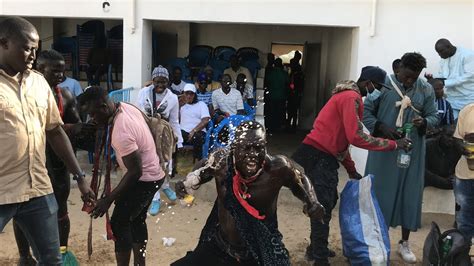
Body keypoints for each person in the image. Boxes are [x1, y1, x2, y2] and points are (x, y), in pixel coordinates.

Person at [0, 16, 94, 265]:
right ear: (3, 43)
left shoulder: (39, 83)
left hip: (37, 190)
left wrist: (80, 178)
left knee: (51, 260)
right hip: (2, 190)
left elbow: (55, 131)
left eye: (36, 48)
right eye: (27, 48)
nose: (33, 55)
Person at [292, 79, 411, 265]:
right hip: (319, 155)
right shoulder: (351, 97)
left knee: (327, 202)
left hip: (319, 154)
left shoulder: (345, 96)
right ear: (367, 82)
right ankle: (319, 257)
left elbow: (342, 140)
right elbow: (355, 137)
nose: (377, 92)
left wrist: (351, 169)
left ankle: (316, 249)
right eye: (377, 87)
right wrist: (394, 145)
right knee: (321, 207)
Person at [172, 121, 325, 266]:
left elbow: (300, 179)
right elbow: (203, 168)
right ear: (234, 148)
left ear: (265, 147)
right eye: (246, 148)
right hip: (222, 246)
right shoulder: (221, 163)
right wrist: (188, 183)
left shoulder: (277, 169)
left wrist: (311, 201)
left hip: (259, 249)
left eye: (258, 148)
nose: (252, 154)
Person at [363, 52, 439, 263]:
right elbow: (365, 111)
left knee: (410, 194)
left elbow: (434, 115)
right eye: (407, 76)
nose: (409, 81)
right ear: (399, 68)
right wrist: (381, 127)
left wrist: (423, 122)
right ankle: (378, 242)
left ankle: (404, 243)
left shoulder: (425, 89)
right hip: (384, 150)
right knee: (380, 194)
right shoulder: (383, 86)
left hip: (411, 152)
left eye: (414, 77)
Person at [79, 86, 165, 266]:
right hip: (155, 174)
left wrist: (108, 200)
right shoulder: (125, 106)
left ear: (103, 107)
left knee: (119, 222)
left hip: (145, 179)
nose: (92, 119)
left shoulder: (121, 130)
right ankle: (140, 264)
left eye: (93, 115)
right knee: (137, 219)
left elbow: (135, 172)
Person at [12, 49, 83, 264]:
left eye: (63, 72)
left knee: (60, 207)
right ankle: (25, 256)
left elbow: (77, 125)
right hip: (28, 160)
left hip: (57, 161)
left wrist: (66, 128)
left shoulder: (66, 95)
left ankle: (62, 251)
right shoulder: (20, 94)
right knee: (21, 210)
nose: (60, 76)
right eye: (55, 71)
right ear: (39, 70)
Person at [136, 65, 182, 215]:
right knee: (152, 165)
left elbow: (174, 120)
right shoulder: (143, 93)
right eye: (157, 81)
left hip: (164, 134)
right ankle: (157, 197)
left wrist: (178, 139)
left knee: (165, 163)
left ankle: (165, 187)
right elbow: (137, 114)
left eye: (164, 82)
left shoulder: (173, 98)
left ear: (168, 82)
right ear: (153, 80)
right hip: (146, 132)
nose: (160, 85)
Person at [426, 38, 474, 119]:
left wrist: (445, 82)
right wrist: (434, 78)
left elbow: (468, 76)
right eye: (438, 53)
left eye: (441, 52)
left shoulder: (468, 55)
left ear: (449, 47)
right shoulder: (443, 59)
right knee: (452, 126)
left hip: (468, 99)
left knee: (467, 129)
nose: (440, 55)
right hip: (452, 99)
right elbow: (443, 76)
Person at [452, 103, 474, 249]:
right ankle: (462, 257)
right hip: (464, 175)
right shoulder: (468, 110)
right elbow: (457, 139)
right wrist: (461, 147)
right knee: (464, 222)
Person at [180, 84, 211, 161]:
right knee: (173, 136)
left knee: (198, 137)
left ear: (195, 95)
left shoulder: (201, 104)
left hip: (198, 131)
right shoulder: (180, 106)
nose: (189, 96)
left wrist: (194, 131)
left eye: (191, 93)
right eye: (187, 93)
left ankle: (197, 162)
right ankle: (173, 165)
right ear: (183, 94)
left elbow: (205, 120)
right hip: (183, 132)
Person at [266, 58, 289, 132]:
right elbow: (288, 83)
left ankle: (272, 127)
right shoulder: (284, 73)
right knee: (280, 112)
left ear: (274, 64)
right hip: (281, 96)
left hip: (272, 96)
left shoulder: (271, 73)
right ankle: (279, 127)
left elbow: (267, 82)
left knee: (272, 112)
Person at [287, 52, 304, 131]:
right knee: (294, 110)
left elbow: (292, 83)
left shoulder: (295, 72)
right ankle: (292, 126)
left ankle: (291, 126)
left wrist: (292, 89)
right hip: (297, 92)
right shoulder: (299, 70)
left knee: (291, 109)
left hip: (293, 92)